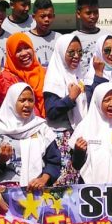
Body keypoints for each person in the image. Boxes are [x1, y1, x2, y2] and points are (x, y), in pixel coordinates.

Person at [0, 83, 60, 188]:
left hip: (36, 189)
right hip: (6, 192)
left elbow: (54, 161)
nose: (27, 105)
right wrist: (1, 161)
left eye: (30, 100)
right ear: (12, 102)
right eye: (22, 100)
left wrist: (43, 179)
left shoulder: (42, 128)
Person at [43, 35, 88, 185]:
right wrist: (70, 98)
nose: (76, 56)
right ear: (62, 53)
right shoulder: (54, 77)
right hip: (60, 138)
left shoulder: (79, 75)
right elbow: (51, 112)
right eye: (71, 52)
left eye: (80, 52)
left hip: (78, 136)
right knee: (61, 186)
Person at [0, 32, 46, 117]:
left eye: (27, 47)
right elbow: (4, 100)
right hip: (22, 123)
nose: (24, 53)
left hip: (47, 122)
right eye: (18, 50)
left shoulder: (44, 72)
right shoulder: (7, 76)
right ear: (11, 54)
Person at [72, 0, 109, 84]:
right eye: (88, 13)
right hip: (83, 86)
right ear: (78, 14)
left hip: (105, 85)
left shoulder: (107, 35)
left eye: (95, 12)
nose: (92, 16)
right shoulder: (73, 38)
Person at [28, 0, 62, 67]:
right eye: (42, 16)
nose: (46, 19)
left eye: (49, 16)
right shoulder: (26, 38)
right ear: (34, 17)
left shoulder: (59, 38)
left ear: (54, 16)